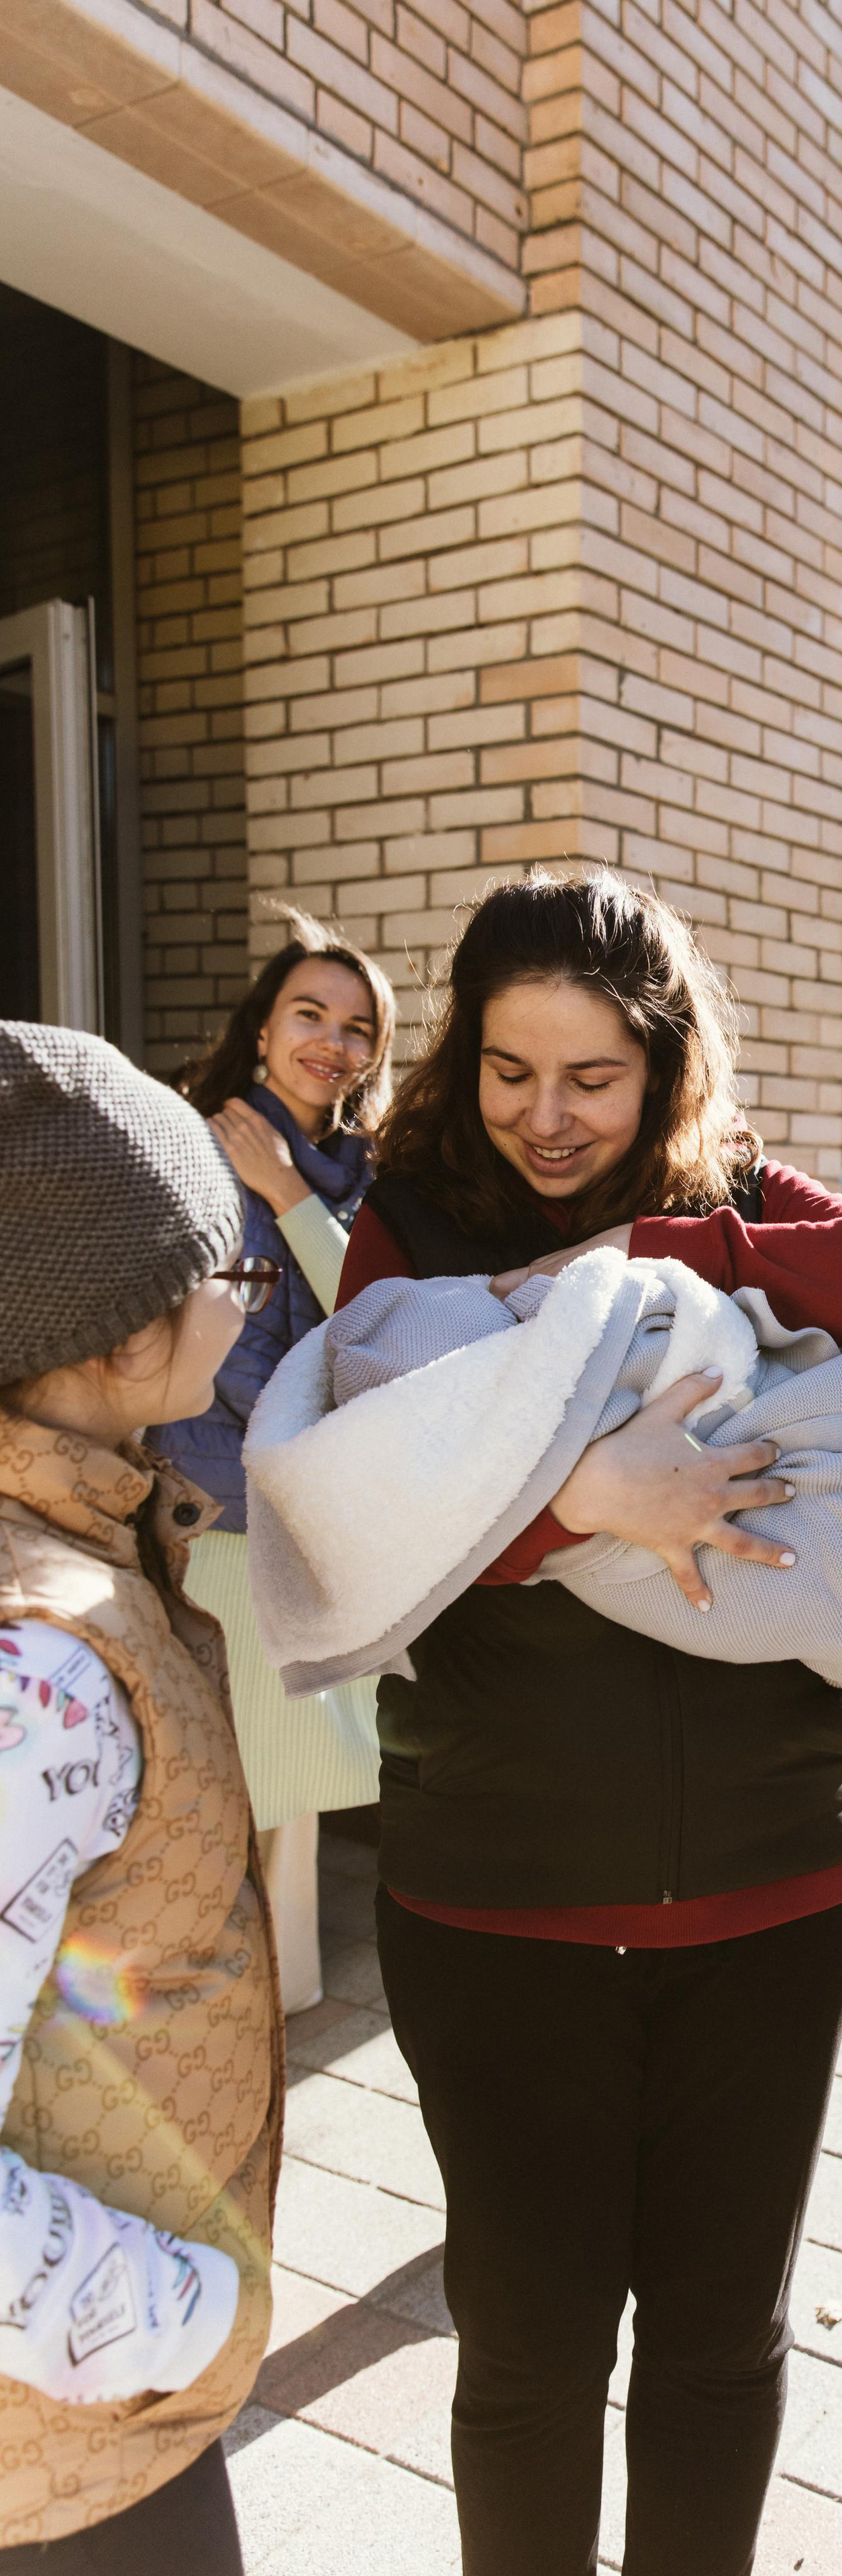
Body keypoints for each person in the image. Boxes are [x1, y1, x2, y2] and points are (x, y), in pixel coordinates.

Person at [333, 867, 842, 2576]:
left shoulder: (735, 1197)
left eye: (593, 1079)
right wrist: (584, 1506)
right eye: (509, 1071)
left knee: (716, 2346)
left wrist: (660, 1240)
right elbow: (346, 1504)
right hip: (498, 1893)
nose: (547, 1119)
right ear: (461, 1057)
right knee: (529, 2357)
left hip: (775, 1882)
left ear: (666, 1065)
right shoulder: (409, 1217)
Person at [0, 1021, 283, 2570]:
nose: (239, 1315)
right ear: (112, 1342)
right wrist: (185, 2316)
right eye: (224, 1282)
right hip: (68, 2452)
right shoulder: (40, 1659)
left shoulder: (84, 1550)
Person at [153, 912, 395, 2010]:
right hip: (219, 1500)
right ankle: (229, 1990)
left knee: (288, 1771)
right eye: (308, 1014)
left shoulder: (361, 1178)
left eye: (357, 1029)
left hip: (310, 1504)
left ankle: (275, 1990)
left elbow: (377, 1323)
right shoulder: (197, 1152)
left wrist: (297, 1201)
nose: (330, 1043)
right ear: (262, 1030)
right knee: (229, 1766)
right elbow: (214, 1349)